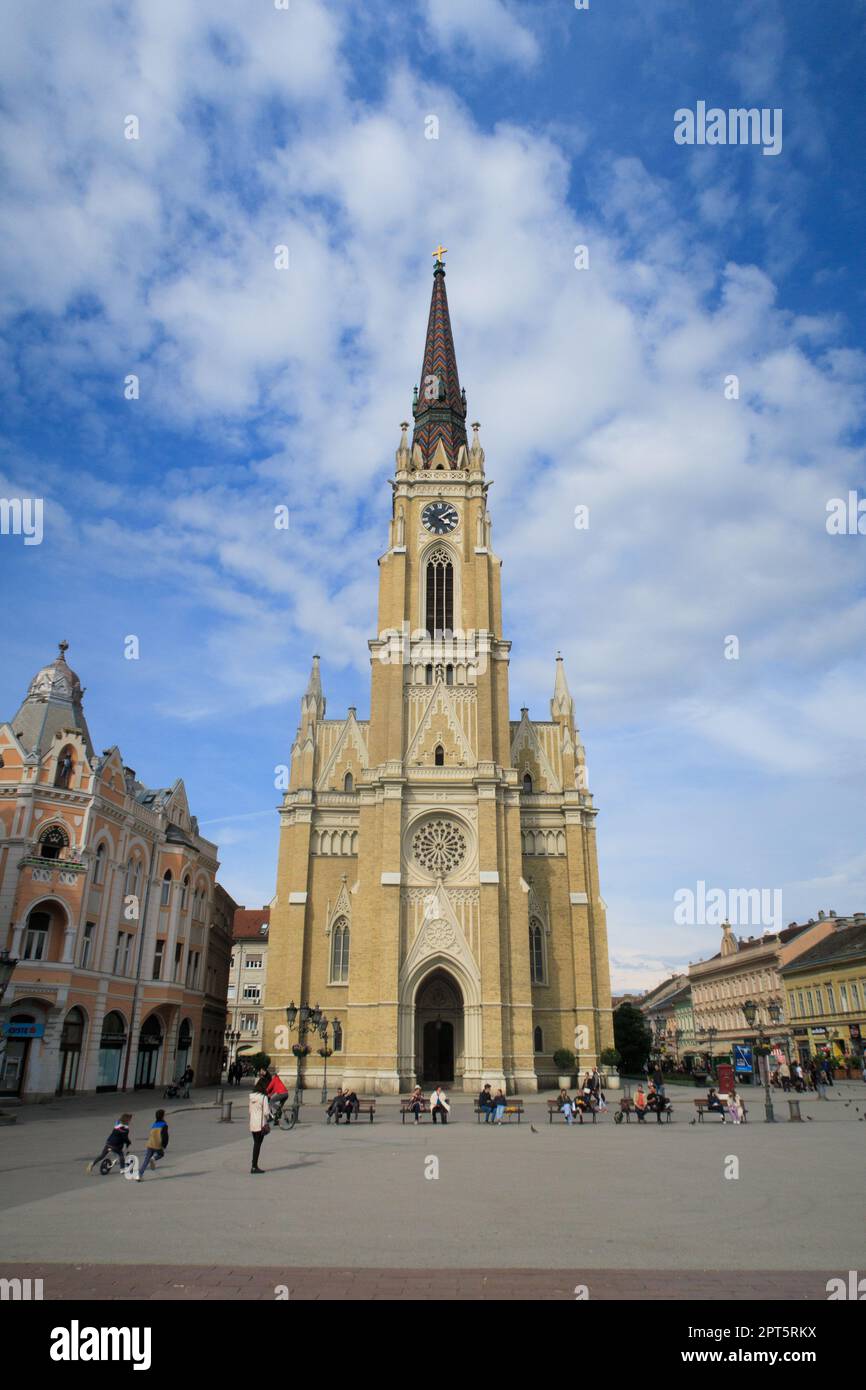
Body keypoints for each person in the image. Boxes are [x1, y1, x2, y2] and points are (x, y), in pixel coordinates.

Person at [138, 1109, 170, 1177]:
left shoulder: (154, 1124)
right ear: (162, 1116)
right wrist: (164, 1145)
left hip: (150, 1143)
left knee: (146, 1160)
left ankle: (139, 1174)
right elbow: (165, 1136)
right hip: (157, 1144)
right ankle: (153, 1159)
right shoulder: (164, 1125)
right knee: (161, 1154)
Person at [249, 1078, 270, 1174]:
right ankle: (254, 1166)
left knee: (256, 1144)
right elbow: (266, 1112)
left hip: (253, 1123)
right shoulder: (263, 1097)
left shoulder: (251, 1097)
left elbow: (249, 1111)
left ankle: (254, 1164)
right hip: (260, 1124)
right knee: (258, 1144)